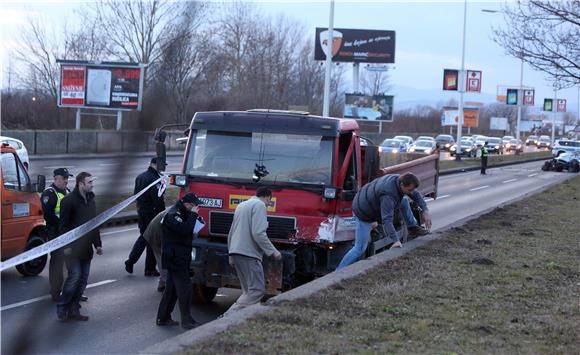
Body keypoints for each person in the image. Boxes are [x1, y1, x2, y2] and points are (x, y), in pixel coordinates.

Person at [336, 172, 432, 270]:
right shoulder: (389, 195)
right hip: (362, 212)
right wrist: (396, 240)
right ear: (402, 185)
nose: (411, 192)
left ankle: (412, 227)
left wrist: (425, 210)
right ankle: (338, 271)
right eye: (409, 190)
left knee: (404, 201)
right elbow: (387, 220)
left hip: (368, 200)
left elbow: (415, 194)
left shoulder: (398, 179)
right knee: (360, 248)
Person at [222, 187, 282, 317]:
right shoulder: (259, 205)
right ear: (267, 198)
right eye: (268, 203)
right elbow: (258, 233)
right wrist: (273, 251)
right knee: (256, 291)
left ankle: (244, 319)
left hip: (236, 252)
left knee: (248, 292)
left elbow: (231, 233)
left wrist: (231, 256)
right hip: (249, 254)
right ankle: (227, 317)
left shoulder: (241, 206)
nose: (267, 205)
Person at [57, 172, 102, 322]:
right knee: (74, 278)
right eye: (89, 182)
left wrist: (98, 244)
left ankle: (74, 309)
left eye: (92, 182)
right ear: (80, 184)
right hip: (72, 249)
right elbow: (62, 227)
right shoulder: (68, 201)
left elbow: (94, 224)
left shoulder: (91, 200)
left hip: (86, 249)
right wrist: (66, 246)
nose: (92, 184)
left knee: (83, 280)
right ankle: (62, 307)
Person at [156, 193, 202, 329]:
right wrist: (193, 216)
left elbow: (187, 230)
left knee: (171, 289)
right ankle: (187, 321)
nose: (195, 209)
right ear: (186, 204)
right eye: (193, 206)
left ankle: (163, 317)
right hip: (175, 257)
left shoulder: (182, 213)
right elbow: (183, 230)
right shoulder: (173, 214)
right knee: (185, 289)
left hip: (179, 255)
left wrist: (195, 221)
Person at [125, 158, 165, 276]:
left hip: (141, 211)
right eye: (161, 164)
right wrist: (162, 215)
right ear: (153, 164)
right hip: (152, 214)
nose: (162, 167)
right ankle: (149, 269)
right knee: (153, 240)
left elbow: (136, 195)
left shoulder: (140, 176)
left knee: (144, 237)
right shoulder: (155, 179)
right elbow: (158, 199)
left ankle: (131, 261)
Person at [41, 168, 72, 301]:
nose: (66, 180)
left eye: (67, 177)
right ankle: (55, 293)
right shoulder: (49, 193)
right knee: (57, 265)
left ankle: (73, 292)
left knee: (72, 265)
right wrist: (64, 226)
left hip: (69, 235)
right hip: (56, 235)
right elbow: (49, 216)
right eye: (64, 178)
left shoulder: (68, 191)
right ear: (55, 179)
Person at [142, 208, 170, 292]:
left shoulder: (178, 209)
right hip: (155, 233)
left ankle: (162, 283)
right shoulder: (178, 214)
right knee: (162, 258)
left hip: (156, 230)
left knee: (161, 258)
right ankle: (166, 283)